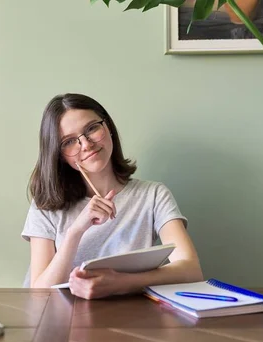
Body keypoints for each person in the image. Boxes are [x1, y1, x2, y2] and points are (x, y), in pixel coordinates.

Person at [21, 93, 203, 299]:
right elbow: (38, 294)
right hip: (63, 323)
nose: (86, 144)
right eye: (69, 141)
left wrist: (121, 283)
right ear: (59, 154)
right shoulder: (46, 203)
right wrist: (76, 231)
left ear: (108, 127)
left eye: (91, 128)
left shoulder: (153, 195)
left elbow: (191, 270)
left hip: (132, 318)